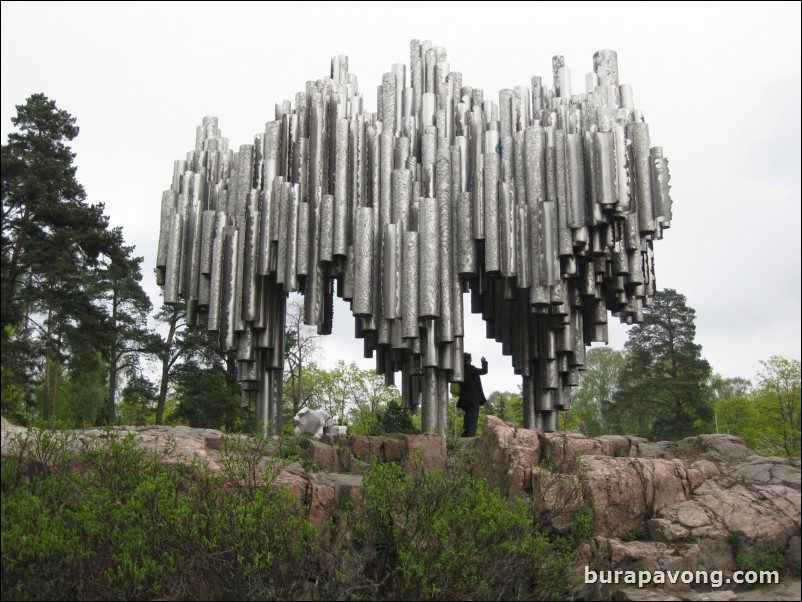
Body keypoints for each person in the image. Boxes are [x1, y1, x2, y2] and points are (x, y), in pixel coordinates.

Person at [456, 352, 488, 437]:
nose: (471, 361)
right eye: (470, 359)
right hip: (473, 399)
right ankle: (470, 442)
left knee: (466, 421)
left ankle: (463, 440)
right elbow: (484, 371)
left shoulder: (460, 371)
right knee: (473, 422)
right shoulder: (471, 368)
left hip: (464, 400)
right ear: (467, 360)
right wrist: (483, 362)